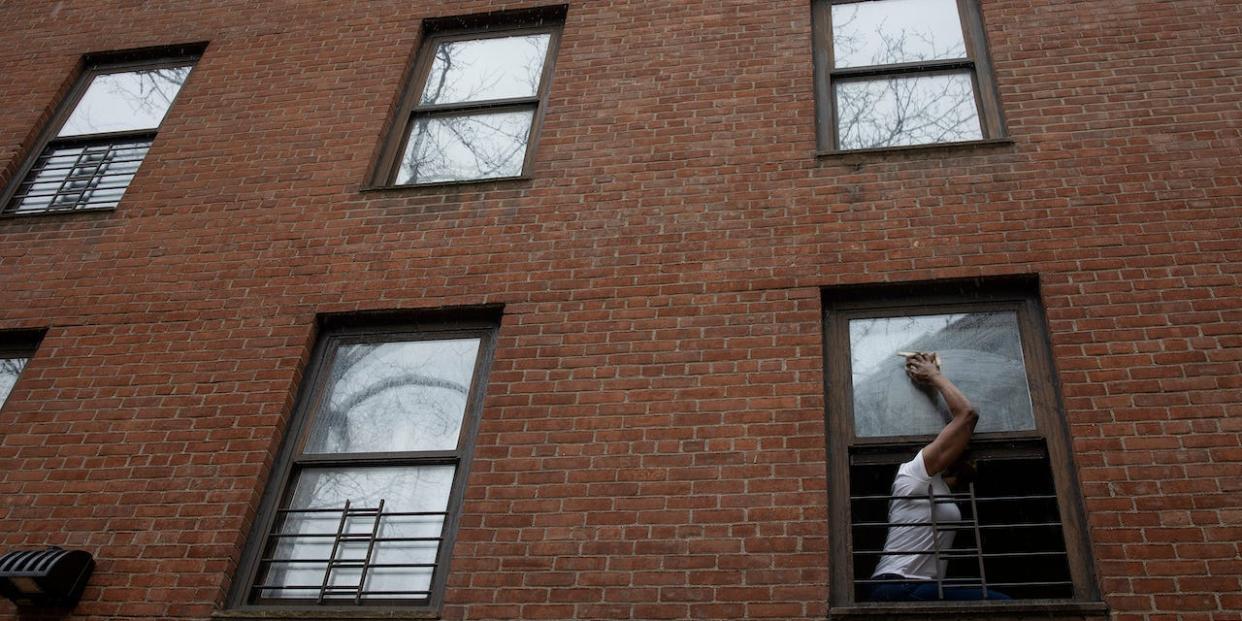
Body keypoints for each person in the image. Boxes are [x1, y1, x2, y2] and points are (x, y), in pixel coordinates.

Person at [867, 352, 1011, 602]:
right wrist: (934, 376)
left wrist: (967, 470)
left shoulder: (939, 486)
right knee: (1004, 605)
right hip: (899, 586)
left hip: (917, 588)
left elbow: (960, 478)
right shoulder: (913, 474)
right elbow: (967, 415)